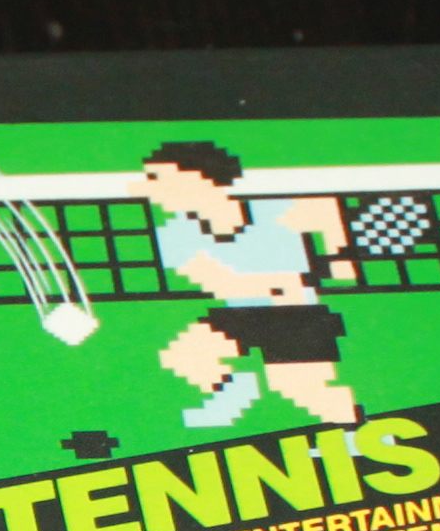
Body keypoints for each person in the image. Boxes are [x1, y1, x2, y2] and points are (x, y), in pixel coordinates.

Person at [137, 140, 358, 428]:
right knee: (185, 355)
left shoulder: (271, 206)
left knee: (303, 390)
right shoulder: (175, 232)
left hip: (297, 314)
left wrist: (338, 255)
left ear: (196, 176)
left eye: (158, 178)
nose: (150, 188)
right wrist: (283, 282)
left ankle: (355, 430)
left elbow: (324, 207)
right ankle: (234, 390)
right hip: (240, 313)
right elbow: (221, 283)